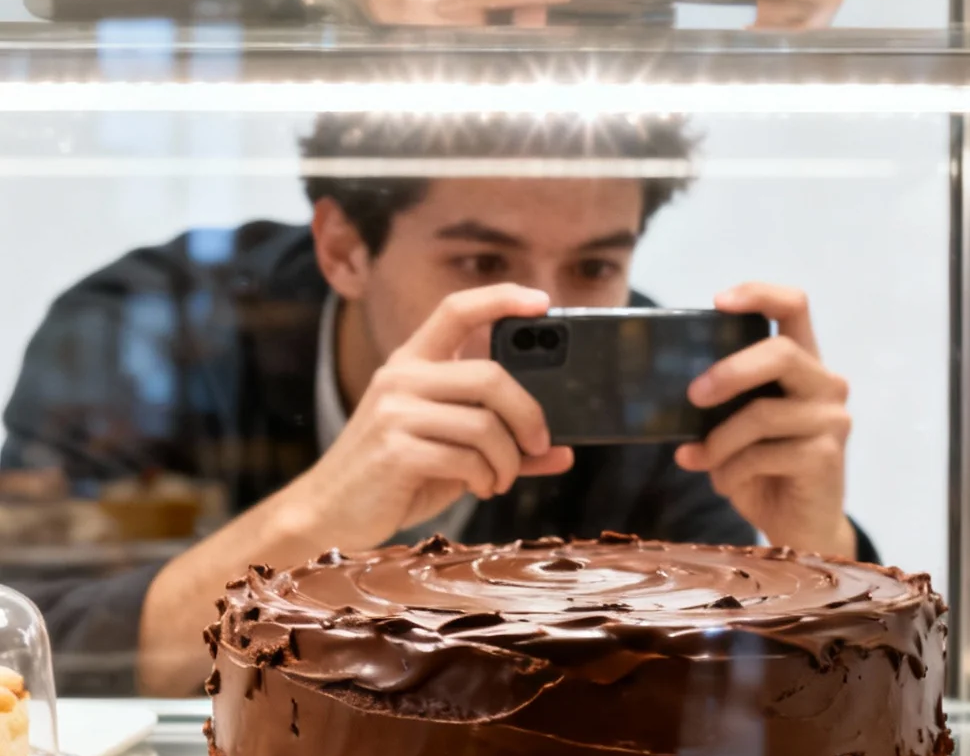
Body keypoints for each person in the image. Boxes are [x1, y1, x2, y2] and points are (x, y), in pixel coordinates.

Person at [1, 112, 866, 697]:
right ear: (342, 246)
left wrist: (816, 546)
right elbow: (33, 656)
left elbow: (757, 703)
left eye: (597, 267)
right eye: (483, 264)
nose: (541, 310)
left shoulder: (642, 381)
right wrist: (321, 511)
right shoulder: (145, 327)